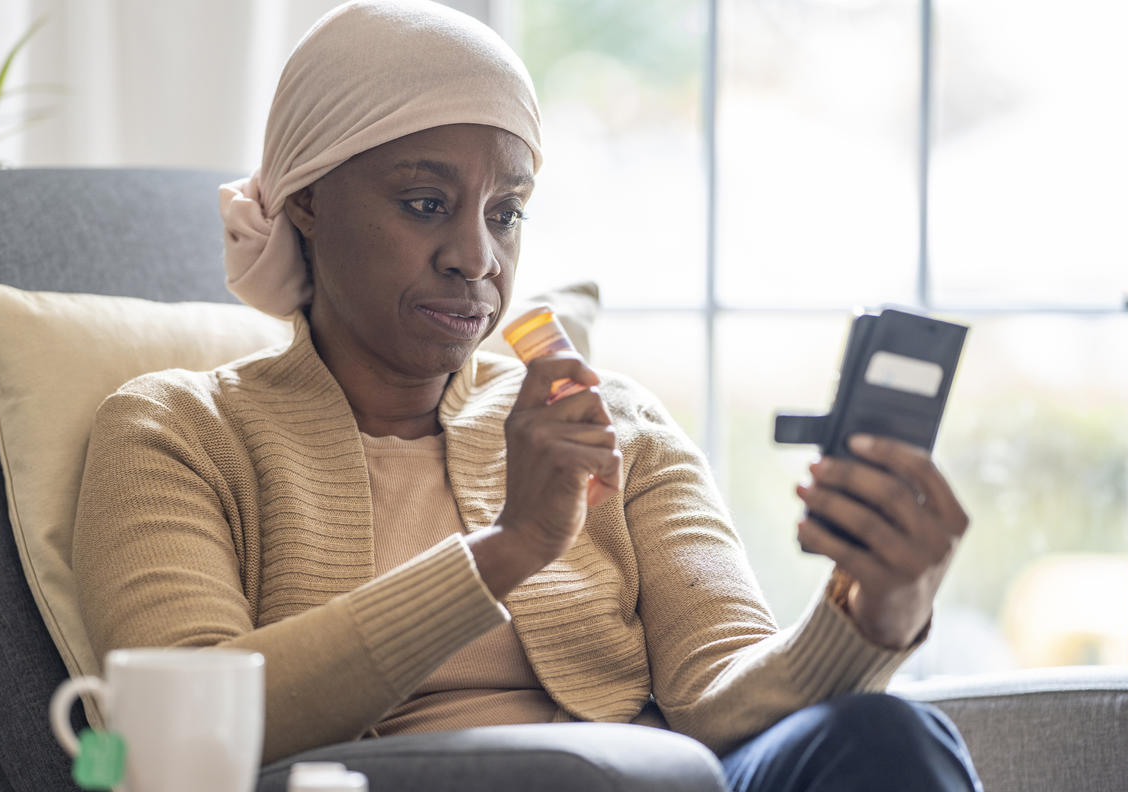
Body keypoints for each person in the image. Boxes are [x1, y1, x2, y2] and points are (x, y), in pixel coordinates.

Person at [71, 2, 984, 790]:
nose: (477, 256)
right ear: (307, 198)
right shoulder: (177, 431)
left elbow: (722, 697)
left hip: (649, 784)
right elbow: (174, 738)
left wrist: (876, 613)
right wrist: (504, 551)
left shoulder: (609, 422)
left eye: (505, 212)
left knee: (885, 738)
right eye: (426, 203)